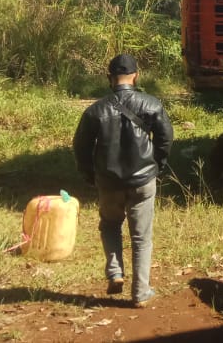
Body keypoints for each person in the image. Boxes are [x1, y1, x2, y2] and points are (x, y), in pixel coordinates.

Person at [73, 54, 173, 308]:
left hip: (108, 182)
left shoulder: (95, 110)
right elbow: (165, 140)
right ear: (136, 76)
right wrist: (156, 165)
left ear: (109, 78)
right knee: (141, 237)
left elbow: (81, 147)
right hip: (143, 181)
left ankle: (115, 272)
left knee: (109, 225)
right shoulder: (151, 104)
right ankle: (140, 292)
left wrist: (89, 175)